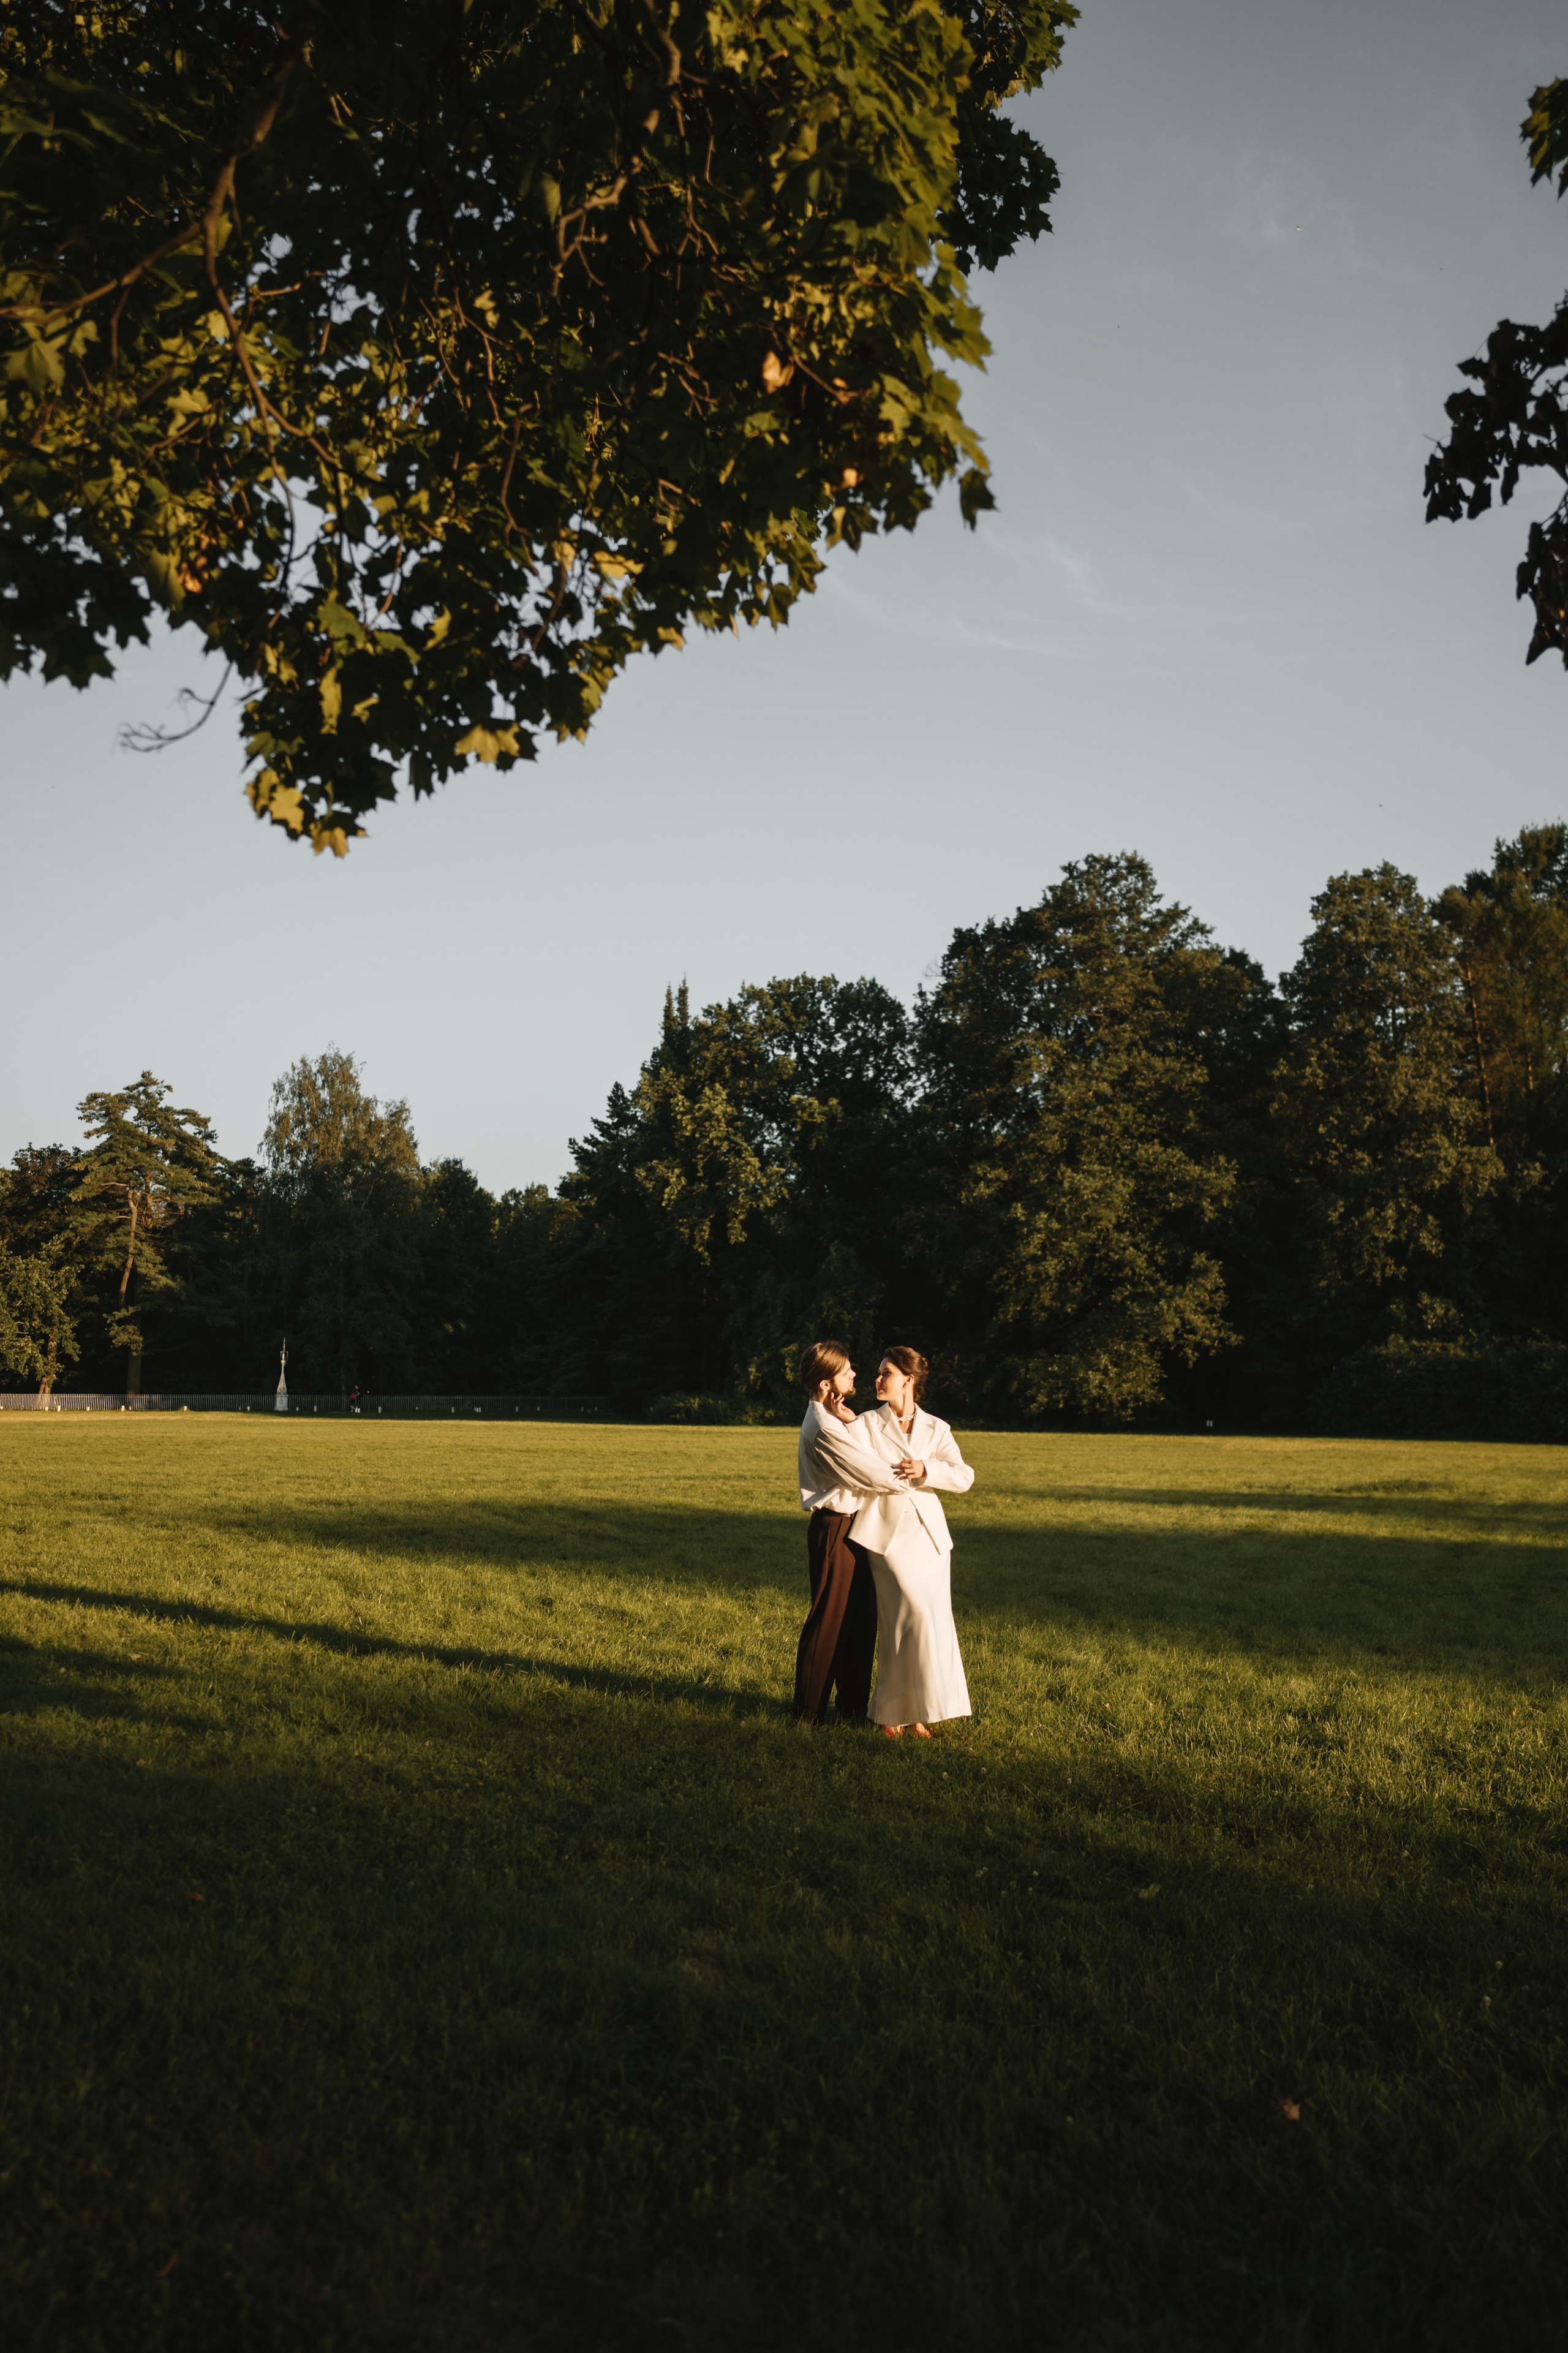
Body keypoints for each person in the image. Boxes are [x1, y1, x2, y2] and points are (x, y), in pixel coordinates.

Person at [852, 1345, 974, 1739]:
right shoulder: (866, 1423)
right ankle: (890, 1713)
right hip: (886, 1536)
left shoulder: (937, 1428)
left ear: (908, 1380)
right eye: (878, 1372)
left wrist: (927, 1470)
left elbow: (964, 1476)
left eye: (885, 1373)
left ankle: (918, 1714)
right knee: (905, 1619)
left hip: (930, 1539)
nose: (878, 1380)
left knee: (929, 1622)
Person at [793, 1339, 911, 1724]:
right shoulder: (823, 1428)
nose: (855, 1374)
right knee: (829, 1621)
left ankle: (851, 1710)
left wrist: (851, 1420)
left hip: (855, 1527)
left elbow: (866, 1458)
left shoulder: (834, 1420)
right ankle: (807, 1715)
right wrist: (919, 1474)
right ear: (826, 1384)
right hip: (835, 1529)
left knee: (860, 1620)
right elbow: (876, 1474)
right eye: (846, 1371)